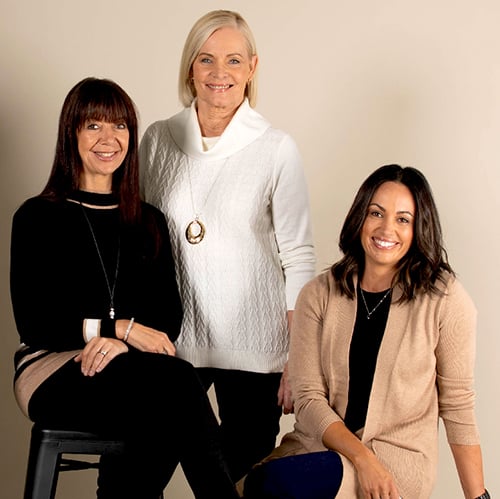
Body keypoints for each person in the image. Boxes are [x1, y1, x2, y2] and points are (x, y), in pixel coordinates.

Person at [10, 77, 240, 499]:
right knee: (178, 388)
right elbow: (38, 322)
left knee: (165, 403)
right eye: (93, 126)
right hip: (54, 370)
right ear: (71, 134)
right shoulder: (37, 217)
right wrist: (121, 331)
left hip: (130, 371)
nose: (108, 138)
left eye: (119, 126)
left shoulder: (148, 222)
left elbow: (167, 318)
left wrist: (123, 344)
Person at [139, 10, 316, 482]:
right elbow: (136, 242)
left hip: (255, 343)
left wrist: (299, 360)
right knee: (137, 472)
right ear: (189, 69)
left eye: (234, 60)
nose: (221, 74)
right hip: (173, 341)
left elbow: (298, 256)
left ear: (252, 68)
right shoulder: (158, 140)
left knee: (238, 481)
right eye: (207, 59)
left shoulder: (276, 147)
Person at [243, 164, 489, 499]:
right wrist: (362, 459)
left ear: (419, 228)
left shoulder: (445, 300)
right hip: (319, 450)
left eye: (403, 219)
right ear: (360, 216)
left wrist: (479, 497)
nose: (387, 228)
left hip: (396, 465)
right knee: (251, 485)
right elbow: (309, 399)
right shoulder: (318, 294)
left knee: (274, 486)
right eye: (377, 213)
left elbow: (458, 406)